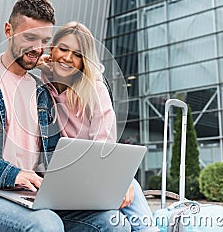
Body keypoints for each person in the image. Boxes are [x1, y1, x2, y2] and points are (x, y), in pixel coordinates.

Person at [0, 0, 131, 231]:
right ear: (8, 30)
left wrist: (108, 182)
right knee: (46, 226)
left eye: (45, 40)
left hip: (34, 196)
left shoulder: (42, 91)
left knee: (112, 223)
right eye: (29, 38)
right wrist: (11, 174)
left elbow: (56, 151)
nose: (37, 48)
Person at [39, 21, 158, 232]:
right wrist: (39, 63)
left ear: (84, 61)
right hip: (63, 173)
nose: (67, 57)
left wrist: (118, 182)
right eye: (63, 49)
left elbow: (103, 143)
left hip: (96, 169)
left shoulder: (94, 88)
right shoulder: (43, 83)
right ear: (52, 49)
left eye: (77, 54)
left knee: (136, 210)